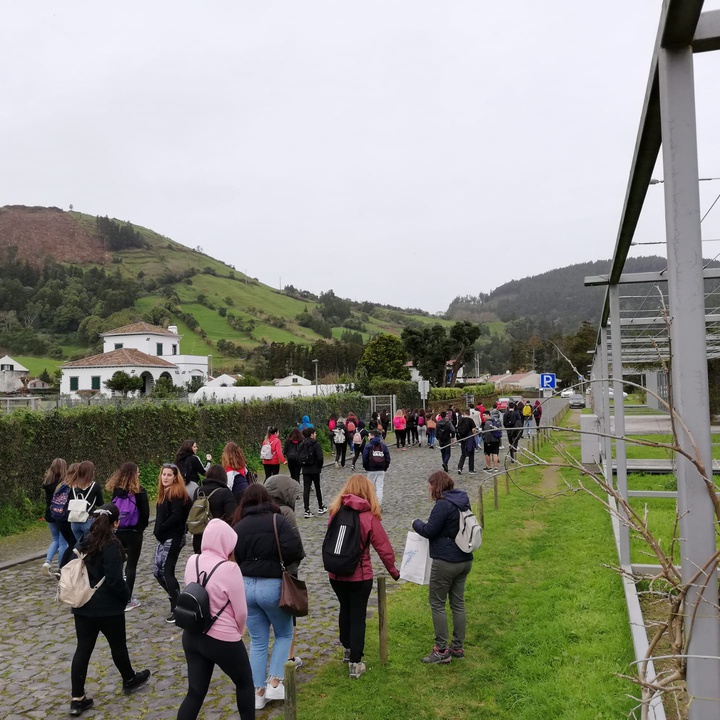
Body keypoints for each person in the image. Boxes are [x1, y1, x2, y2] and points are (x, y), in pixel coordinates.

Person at [68, 503, 151, 716]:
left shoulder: (84, 540)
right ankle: (129, 678)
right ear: (116, 522)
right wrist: (126, 597)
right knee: (118, 646)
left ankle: (77, 698)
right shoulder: (111, 544)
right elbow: (114, 580)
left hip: (83, 604)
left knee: (83, 649)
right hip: (107, 607)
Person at [232, 484, 304, 710]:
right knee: (284, 633)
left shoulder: (238, 526)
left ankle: (258, 693)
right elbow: (295, 549)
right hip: (272, 584)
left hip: (246, 586)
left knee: (258, 640)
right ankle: (274, 681)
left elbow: (233, 555)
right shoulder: (277, 520)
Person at [177, 519, 254, 720]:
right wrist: (239, 631)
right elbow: (241, 611)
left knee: (195, 693)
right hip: (223, 638)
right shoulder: (230, 569)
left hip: (193, 634)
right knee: (244, 683)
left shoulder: (192, 560)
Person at [326, 475, 400, 679]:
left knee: (345, 609)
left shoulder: (335, 512)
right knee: (358, 615)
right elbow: (383, 547)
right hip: (359, 575)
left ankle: (347, 648)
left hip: (336, 574)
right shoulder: (368, 517)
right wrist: (393, 571)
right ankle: (356, 662)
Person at [412, 471, 474, 663]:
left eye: (429, 485)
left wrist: (416, 523)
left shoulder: (443, 505)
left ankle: (441, 650)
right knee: (458, 603)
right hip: (465, 559)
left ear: (436, 486)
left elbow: (430, 530)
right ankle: (458, 647)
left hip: (446, 561)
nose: (428, 489)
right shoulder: (462, 500)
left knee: (437, 603)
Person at [264, 473, 305, 668]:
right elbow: (295, 543)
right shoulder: (286, 512)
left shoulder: (260, 510)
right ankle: (289, 657)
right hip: (285, 569)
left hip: (264, 569)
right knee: (289, 615)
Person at [106, 462, 150, 611]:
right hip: (134, 533)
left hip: (118, 532)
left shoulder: (117, 491)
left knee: (118, 564)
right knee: (131, 566)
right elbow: (145, 514)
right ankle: (128, 599)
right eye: (138, 472)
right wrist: (140, 528)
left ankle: (116, 595)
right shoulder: (140, 491)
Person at [153, 463, 191, 623]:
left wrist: (161, 528)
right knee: (157, 571)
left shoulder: (175, 493)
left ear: (175, 477)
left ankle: (177, 606)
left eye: (169, 475)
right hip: (163, 538)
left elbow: (176, 517)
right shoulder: (164, 493)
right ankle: (175, 597)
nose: (165, 477)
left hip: (172, 538)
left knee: (166, 570)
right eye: (164, 474)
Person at [191, 465, 237, 553]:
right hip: (218, 538)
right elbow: (232, 516)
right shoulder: (226, 493)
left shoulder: (198, 491)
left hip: (199, 536)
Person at [42, 457, 68, 576]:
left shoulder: (47, 482)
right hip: (61, 514)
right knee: (63, 543)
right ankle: (61, 568)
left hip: (50, 513)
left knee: (55, 540)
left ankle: (48, 562)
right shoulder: (65, 483)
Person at [67, 461, 104, 544]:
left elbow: (69, 501)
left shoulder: (72, 486)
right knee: (92, 546)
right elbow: (100, 503)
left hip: (74, 521)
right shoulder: (94, 486)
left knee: (80, 546)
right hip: (88, 520)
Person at [300, 427, 326, 518]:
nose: (316, 435)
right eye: (315, 433)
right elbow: (320, 457)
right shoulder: (316, 444)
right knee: (317, 487)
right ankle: (320, 507)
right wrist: (320, 466)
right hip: (315, 469)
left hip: (305, 469)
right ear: (311, 434)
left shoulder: (302, 444)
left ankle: (306, 510)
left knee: (306, 489)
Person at [361, 429, 391, 505]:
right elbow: (387, 457)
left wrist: (366, 467)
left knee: (370, 488)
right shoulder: (383, 445)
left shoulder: (368, 446)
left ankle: (370, 503)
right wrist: (385, 467)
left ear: (372, 436)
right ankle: (378, 504)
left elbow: (365, 458)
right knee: (379, 487)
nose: (368, 436)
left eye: (369, 435)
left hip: (371, 469)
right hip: (381, 469)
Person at [456, 408, 478, 475]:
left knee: (463, 454)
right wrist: (475, 435)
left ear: (464, 413)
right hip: (469, 439)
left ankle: (460, 468)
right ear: (469, 414)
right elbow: (473, 430)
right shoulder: (470, 420)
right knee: (471, 454)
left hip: (462, 439)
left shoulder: (460, 420)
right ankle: (471, 469)